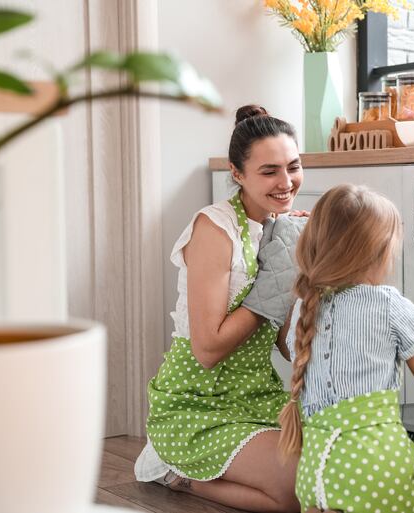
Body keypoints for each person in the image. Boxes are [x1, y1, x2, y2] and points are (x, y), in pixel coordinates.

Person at [134, 105, 303, 512]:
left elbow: (285, 342)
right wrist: (273, 284)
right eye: (269, 171)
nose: (286, 182)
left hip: (257, 393)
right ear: (237, 173)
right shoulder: (214, 227)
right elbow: (207, 350)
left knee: (334, 472)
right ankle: (179, 474)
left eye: (293, 166)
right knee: (296, 492)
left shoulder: (284, 227)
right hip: (197, 402)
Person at [278, 184, 414, 513]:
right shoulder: (388, 304)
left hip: (314, 475)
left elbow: (288, 350)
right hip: (375, 471)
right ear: (378, 252)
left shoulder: (303, 306)